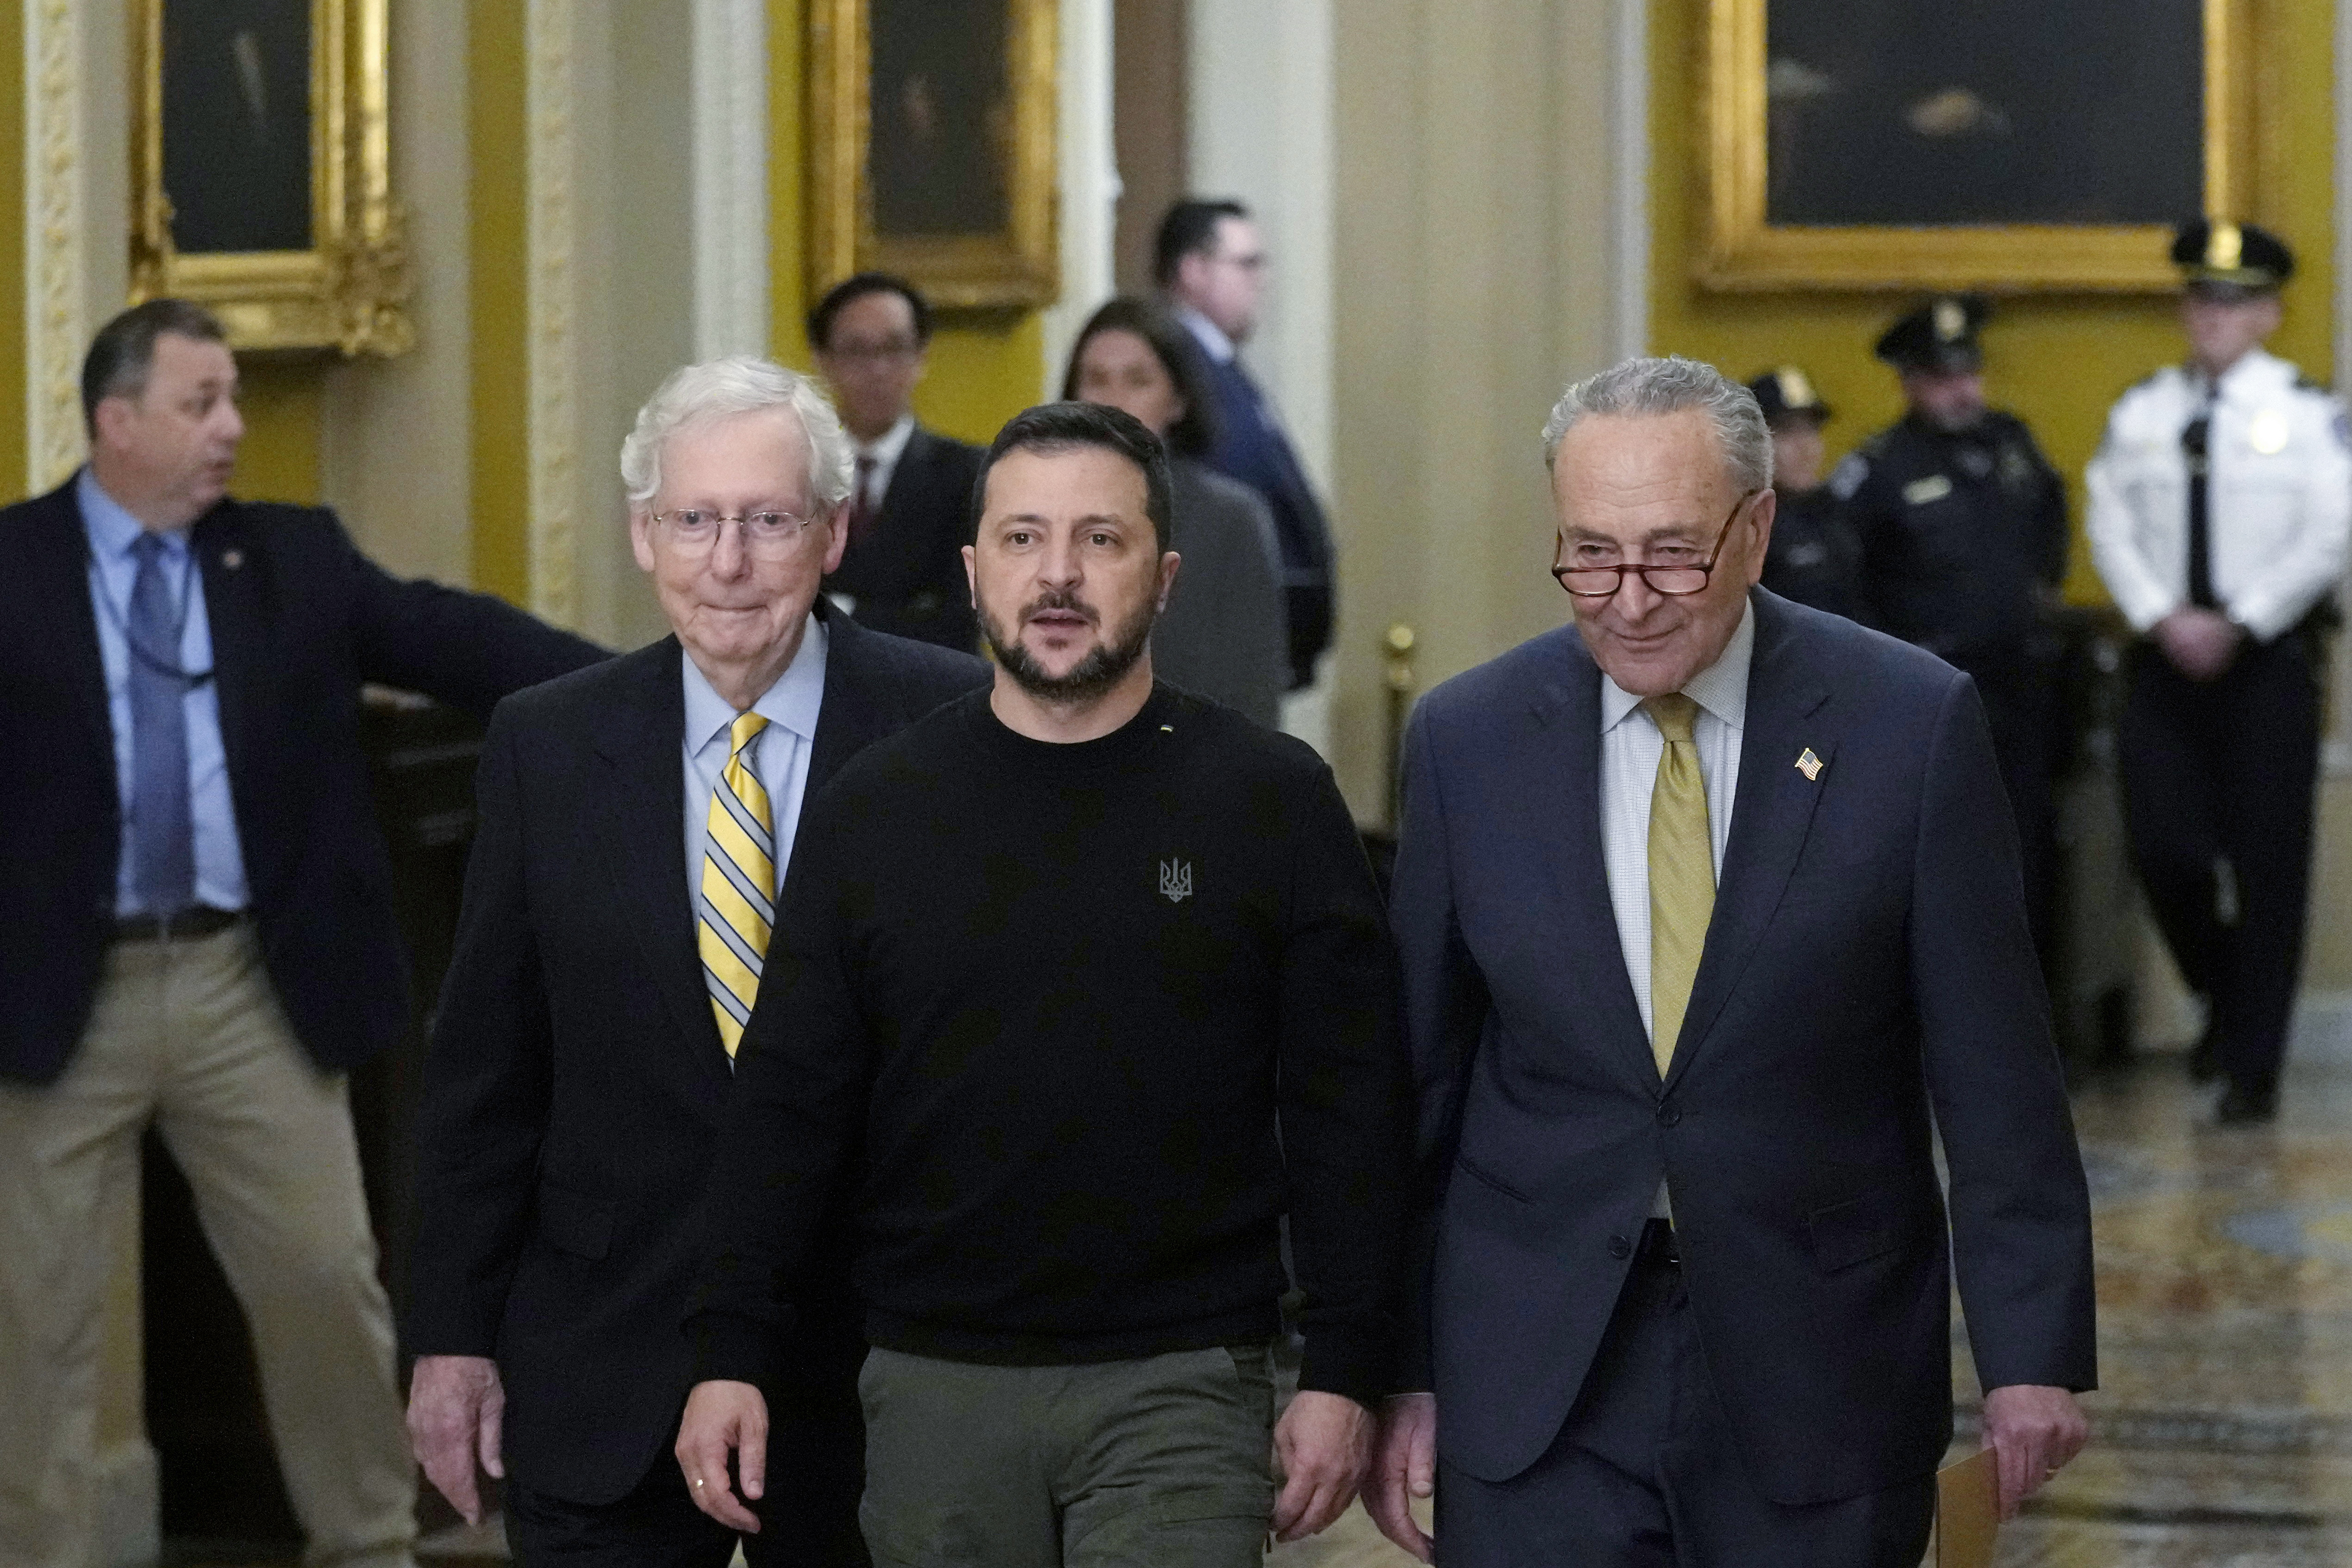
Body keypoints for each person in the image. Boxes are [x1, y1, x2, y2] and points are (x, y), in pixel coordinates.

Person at [1369, 356, 2096, 1567]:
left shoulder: (1906, 723)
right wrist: (1393, 1362)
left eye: (1672, 551)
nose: (1629, 597)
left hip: (1817, 1361)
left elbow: (1995, 1072)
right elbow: (1419, 1085)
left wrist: (2029, 1353)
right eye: (1590, 552)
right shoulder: (1468, 739)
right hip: (1535, 1364)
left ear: (1755, 532)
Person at [673, 402, 1411, 1565]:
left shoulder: (1271, 800)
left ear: (1164, 577)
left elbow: (1350, 1110)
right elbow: (788, 1103)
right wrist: (730, 1350)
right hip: (931, 1383)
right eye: (1022, 539)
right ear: (974, 571)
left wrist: (1347, 1368)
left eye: (1099, 541)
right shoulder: (876, 808)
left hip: (1186, 1380)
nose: (1056, 575)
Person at [0, 298, 606, 1568]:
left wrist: (634, 694)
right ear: (117, 424)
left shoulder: (286, 556)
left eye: (230, 397)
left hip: (245, 986)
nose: (230, 426)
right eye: (200, 402)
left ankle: (370, 1541)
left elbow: (450, 635)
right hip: (61, 992)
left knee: (327, 1280)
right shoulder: (15, 566)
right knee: (33, 1319)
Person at [404, 359, 988, 1564]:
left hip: (877, 1372)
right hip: (604, 1355)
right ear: (642, 534)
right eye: (694, 519)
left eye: (767, 520)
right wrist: (451, 1336)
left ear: (832, 534)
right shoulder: (547, 744)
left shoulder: (950, 728)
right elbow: (484, 1075)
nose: (726, 561)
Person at [2086, 220, 2351, 1125]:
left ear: (2268, 313)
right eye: (2201, 297)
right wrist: (2162, 616)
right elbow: (2109, 519)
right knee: (2162, 848)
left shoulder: (2309, 415)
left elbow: (2327, 532)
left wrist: (2239, 621)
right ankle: (2229, 1001)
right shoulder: (2141, 411)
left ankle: (2251, 1069)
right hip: (2163, 661)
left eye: (2234, 301)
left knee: (2268, 866)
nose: (2213, 315)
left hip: (2265, 663)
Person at [1834, 295, 2069, 973]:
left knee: (2027, 847)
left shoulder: (2012, 445)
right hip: (1931, 695)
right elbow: (1850, 586)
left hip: (2020, 685)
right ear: (1908, 382)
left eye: (1968, 371)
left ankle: (2034, 1020)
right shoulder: (1879, 469)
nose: (1961, 389)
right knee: (1935, 859)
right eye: (1941, 376)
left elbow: (2050, 523)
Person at [1063, 295, 1288, 724]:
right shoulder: (1039, 512)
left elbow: (1253, 695)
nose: (1113, 400)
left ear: (1178, 401)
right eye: (1095, 379)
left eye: (1137, 380)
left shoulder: (1230, 520)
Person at [1157, 199, 1338, 690]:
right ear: (1193, 270)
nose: (1259, 279)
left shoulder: (1222, 367)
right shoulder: (1186, 370)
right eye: (1246, 263)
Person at [809, 273, 986, 653]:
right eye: (856, 350)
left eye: (894, 349)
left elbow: (962, 619)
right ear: (823, 361)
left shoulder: (968, 474)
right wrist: (901, 613)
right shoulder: (801, 474)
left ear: (921, 357)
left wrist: (841, 613)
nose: (877, 370)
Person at [1751, 365, 1866, 621]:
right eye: (1787, 431)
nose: (1805, 447)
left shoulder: (1844, 511)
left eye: (1811, 430)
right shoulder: (1743, 526)